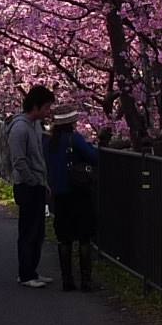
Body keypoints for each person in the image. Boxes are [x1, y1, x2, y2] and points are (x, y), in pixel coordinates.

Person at [46, 110, 102, 291]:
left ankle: (67, 280)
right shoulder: (74, 139)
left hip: (59, 194)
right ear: (71, 123)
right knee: (84, 237)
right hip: (79, 193)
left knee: (64, 238)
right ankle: (85, 281)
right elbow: (93, 157)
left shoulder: (48, 141)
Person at [5, 85, 55, 287]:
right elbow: (19, 160)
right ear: (35, 106)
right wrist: (33, 180)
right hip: (27, 185)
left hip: (37, 184)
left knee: (38, 231)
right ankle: (25, 274)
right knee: (28, 231)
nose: (48, 112)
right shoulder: (20, 128)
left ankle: (32, 271)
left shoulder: (34, 125)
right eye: (46, 108)